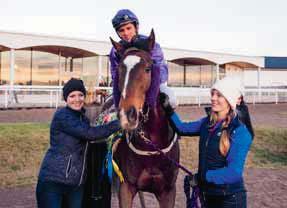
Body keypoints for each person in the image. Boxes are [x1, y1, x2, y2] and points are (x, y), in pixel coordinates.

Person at [160, 76, 253, 208]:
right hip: (207, 196)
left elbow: (234, 172)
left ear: (232, 99)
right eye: (212, 94)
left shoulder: (240, 132)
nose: (213, 98)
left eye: (219, 95)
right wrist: (169, 110)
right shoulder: (207, 123)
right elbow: (182, 128)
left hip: (230, 200)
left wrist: (204, 177)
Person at [36, 78, 121, 208]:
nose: (77, 99)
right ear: (66, 98)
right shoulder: (62, 116)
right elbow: (90, 133)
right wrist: (120, 123)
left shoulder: (83, 119)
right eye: (72, 96)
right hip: (53, 182)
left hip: (76, 184)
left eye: (80, 95)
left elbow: (92, 136)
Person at [110, 9, 176, 108]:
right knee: (113, 105)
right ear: (118, 33)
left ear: (136, 27)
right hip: (127, 86)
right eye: (121, 30)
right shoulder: (115, 50)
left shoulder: (151, 44)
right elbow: (115, 72)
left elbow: (161, 69)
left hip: (153, 83)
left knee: (172, 100)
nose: (126, 33)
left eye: (129, 28)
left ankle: (174, 124)